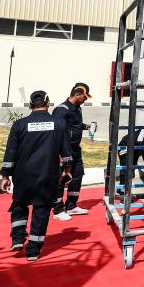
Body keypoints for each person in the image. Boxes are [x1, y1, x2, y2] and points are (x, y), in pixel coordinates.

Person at [0, 90, 72, 261]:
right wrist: (67, 170)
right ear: (48, 103)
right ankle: (33, 250)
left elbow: (11, 152)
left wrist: (5, 176)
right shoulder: (59, 123)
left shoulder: (19, 124)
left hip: (23, 175)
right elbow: (66, 151)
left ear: (30, 105)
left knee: (19, 204)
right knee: (41, 210)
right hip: (47, 175)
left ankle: (18, 238)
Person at [51, 83, 92, 221]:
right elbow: (56, 132)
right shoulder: (61, 110)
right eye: (84, 97)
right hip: (63, 150)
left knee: (77, 175)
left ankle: (71, 205)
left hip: (75, 149)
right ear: (77, 94)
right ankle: (58, 209)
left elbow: (74, 125)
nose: (85, 100)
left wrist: (86, 126)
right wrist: (59, 154)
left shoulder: (77, 108)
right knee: (62, 178)